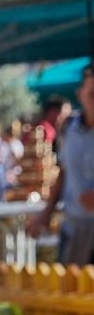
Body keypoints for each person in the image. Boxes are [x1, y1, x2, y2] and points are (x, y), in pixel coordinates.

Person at [29, 65, 94, 264]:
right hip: (73, 230)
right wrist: (45, 215)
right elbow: (63, 174)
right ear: (80, 94)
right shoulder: (68, 129)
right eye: (92, 94)